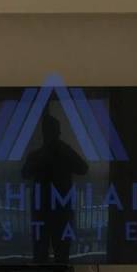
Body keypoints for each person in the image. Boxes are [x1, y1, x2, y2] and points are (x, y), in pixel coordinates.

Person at [22, 112, 88, 263]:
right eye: (54, 132)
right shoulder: (38, 155)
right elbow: (25, 173)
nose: (55, 136)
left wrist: (65, 151)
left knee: (56, 253)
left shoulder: (56, 153)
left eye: (55, 132)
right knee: (47, 252)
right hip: (51, 213)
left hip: (53, 213)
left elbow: (83, 168)